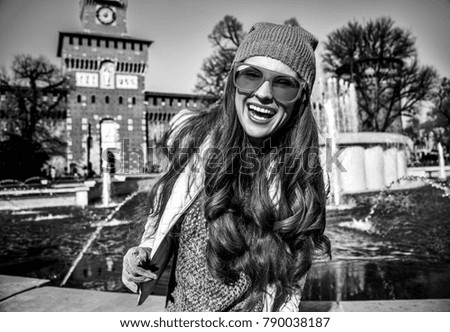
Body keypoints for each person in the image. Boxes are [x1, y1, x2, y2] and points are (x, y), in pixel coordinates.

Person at [122, 22, 330, 312]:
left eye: (284, 84)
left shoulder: (302, 177)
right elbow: (162, 223)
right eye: (250, 76)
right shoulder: (191, 141)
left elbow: (290, 288)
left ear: (301, 99)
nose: (263, 93)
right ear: (233, 80)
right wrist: (142, 254)